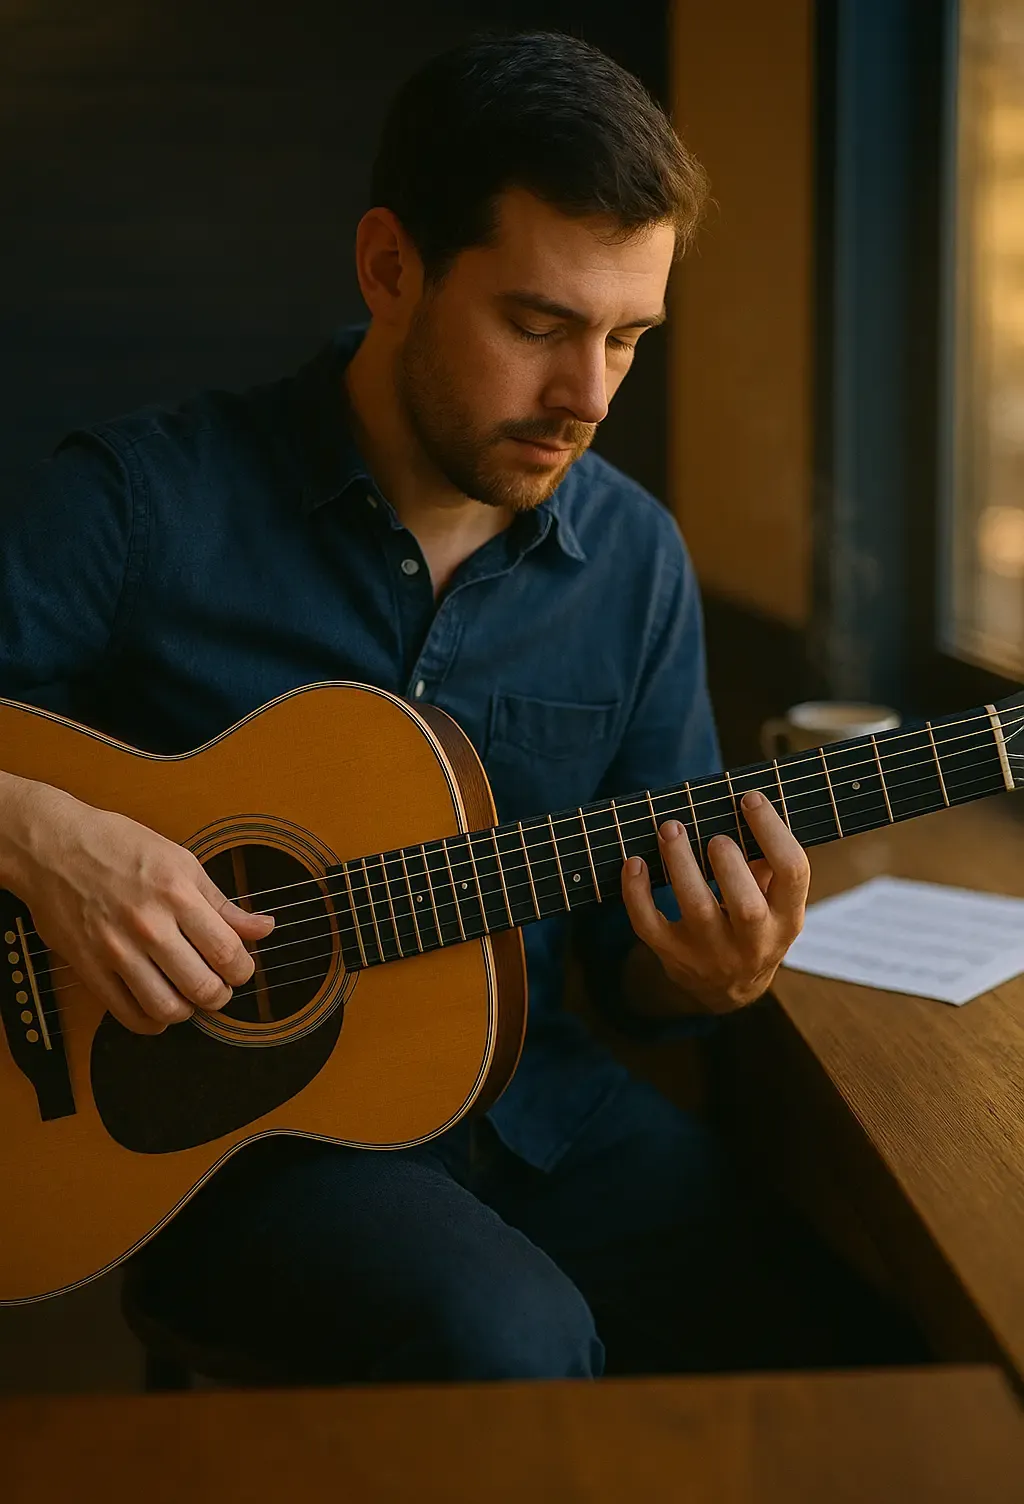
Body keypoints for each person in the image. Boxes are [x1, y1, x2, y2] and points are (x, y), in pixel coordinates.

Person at [0, 31, 923, 1382]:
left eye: (627, 338)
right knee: (510, 1342)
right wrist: (47, 837)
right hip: (233, 1143)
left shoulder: (635, 563)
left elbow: (629, 958)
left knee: (867, 1362)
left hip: (536, 1109)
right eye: (539, 326)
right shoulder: (144, 500)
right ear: (390, 267)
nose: (588, 396)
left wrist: (701, 970)